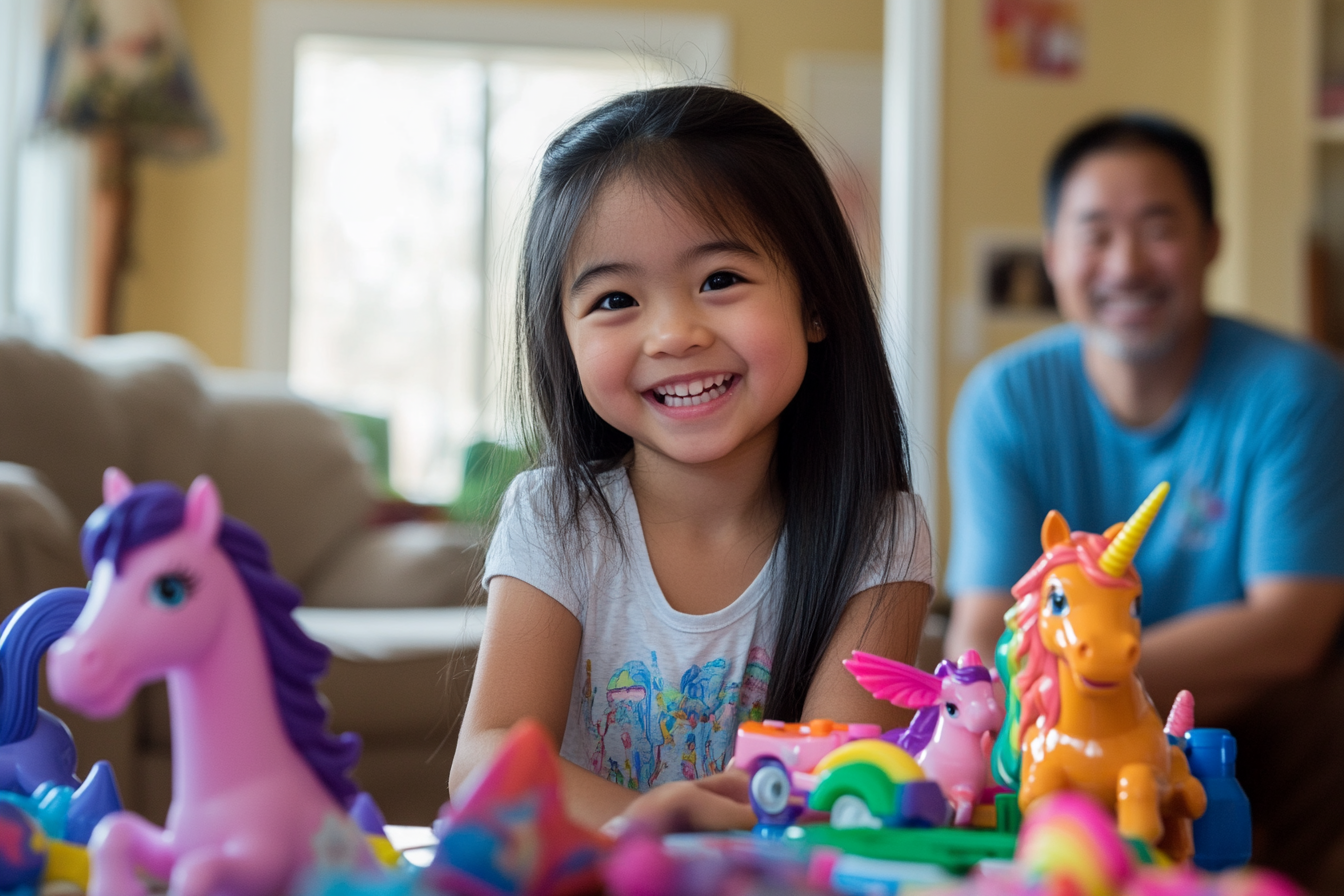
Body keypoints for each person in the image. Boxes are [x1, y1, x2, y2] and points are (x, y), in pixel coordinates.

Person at [449, 85, 934, 833]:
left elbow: (836, 792)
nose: (673, 334)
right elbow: (486, 761)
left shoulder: (879, 527)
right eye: (615, 300)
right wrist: (650, 821)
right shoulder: (555, 515)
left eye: (720, 281)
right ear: (563, 339)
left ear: (817, 302)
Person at [944, 114, 1344, 886]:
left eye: (1158, 228)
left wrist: (1083, 695)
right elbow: (981, 624)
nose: (1126, 265)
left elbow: (1294, 626)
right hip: (1057, 748)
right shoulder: (1005, 400)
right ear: (1054, 254)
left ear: (1211, 242)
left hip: (1260, 727)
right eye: (1095, 233)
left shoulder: (1301, 391)